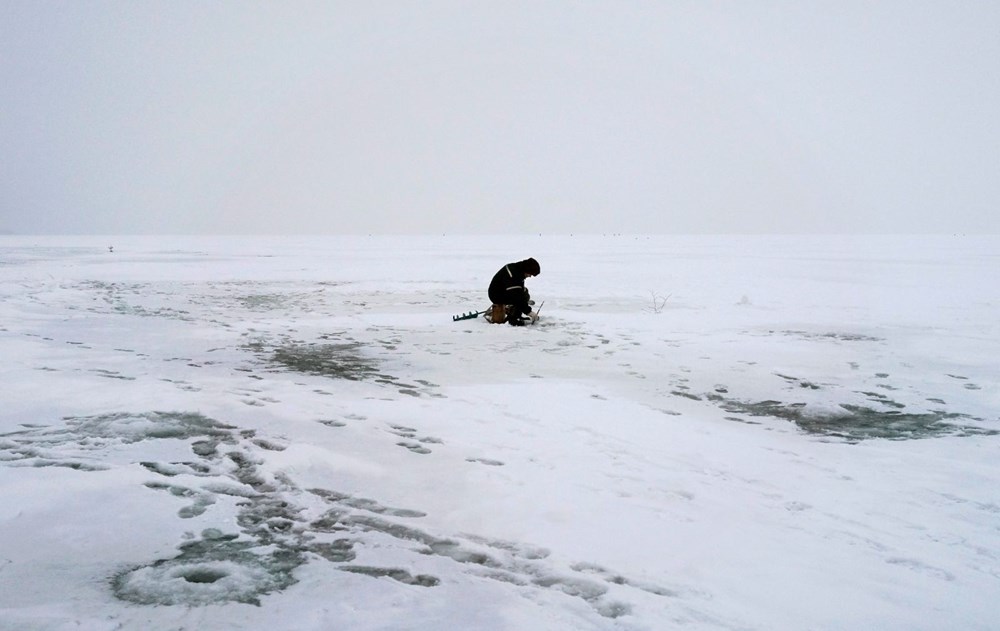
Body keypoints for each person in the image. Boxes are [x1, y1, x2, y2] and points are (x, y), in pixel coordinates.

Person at [488, 258, 540, 326]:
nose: (530, 276)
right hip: (497, 295)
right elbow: (516, 296)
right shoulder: (513, 274)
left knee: (524, 293)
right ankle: (513, 319)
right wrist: (529, 312)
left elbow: (518, 291)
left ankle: (516, 314)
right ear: (526, 270)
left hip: (505, 291)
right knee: (520, 297)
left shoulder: (517, 270)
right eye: (530, 274)